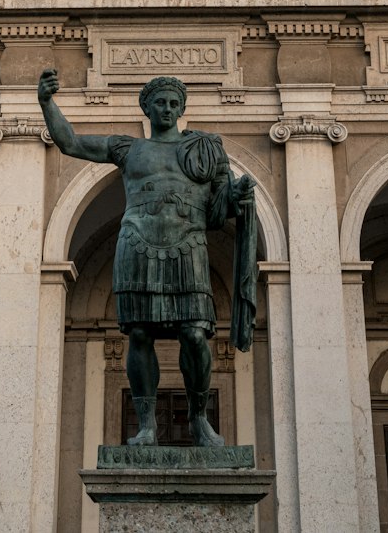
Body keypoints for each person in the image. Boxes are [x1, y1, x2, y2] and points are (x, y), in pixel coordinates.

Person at [38, 70, 256, 447]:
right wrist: (46, 103)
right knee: (139, 334)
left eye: (174, 104)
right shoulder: (129, 149)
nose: (167, 109)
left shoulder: (205, 150)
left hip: (188, 246)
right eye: (160, 103)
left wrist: (236, 196)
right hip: (137, 244)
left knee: (193, 335)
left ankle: (198, 418)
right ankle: (146, 425)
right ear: (147, 108)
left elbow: (219, 210)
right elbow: (70, 142)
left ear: (182, 108)